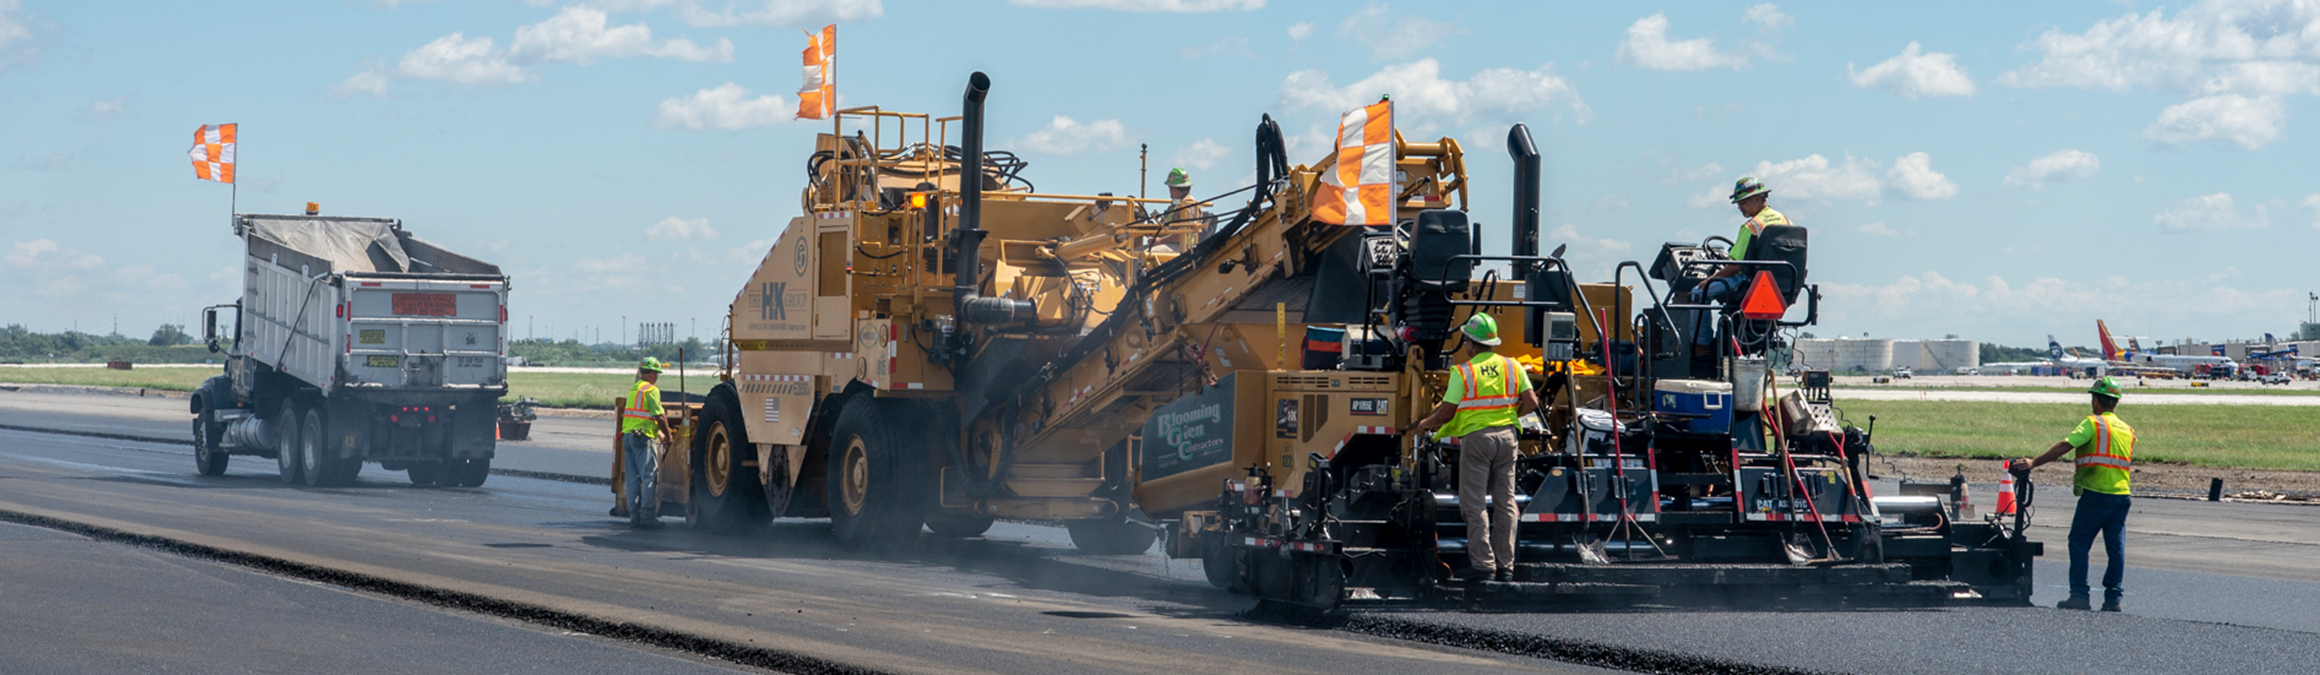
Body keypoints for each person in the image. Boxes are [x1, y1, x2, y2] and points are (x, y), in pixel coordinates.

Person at [1413, 314, 1542, 582]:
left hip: (1478, 440)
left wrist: (1426, 423)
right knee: (1506, 503)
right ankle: (1506, 567)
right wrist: (1510, 417)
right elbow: (1532, 402)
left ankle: (1484, 566)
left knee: (1474, 503)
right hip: (1508, 438)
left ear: (1471, 344)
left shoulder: (1463, 372)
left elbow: (1447, 412)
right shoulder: (1513, 366)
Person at [2011, 376, 2135, 611]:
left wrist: (2034, 462)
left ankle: (2079, 595)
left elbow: (2065, 445)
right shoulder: (2127, 430)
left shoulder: (2094, 423)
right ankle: (2113, 598)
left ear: (2096, 400)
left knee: (2078, 542)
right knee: (2115, 548)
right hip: (2122, 495)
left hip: (2097, 493)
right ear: (2115, 403)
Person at [1691, 175, 1794, 361]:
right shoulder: (1786, 221)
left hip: (1749, 282)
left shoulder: (1752, 226)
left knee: (1699, 292)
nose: (1740, 207)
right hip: (1781, 284)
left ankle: (1701, 346)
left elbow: (1735, 266)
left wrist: (1710, 279)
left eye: (1743, 202)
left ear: (1757, 199)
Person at [619, 357, 672, 528]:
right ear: (650, 373)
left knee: (633, 479)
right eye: (656, 373)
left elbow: (640, 415)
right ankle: (647, 516)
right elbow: (659, 416)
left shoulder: (634, 389)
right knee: (649, 477)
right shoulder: (651, 390)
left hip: (628, 437)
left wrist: (659, 432)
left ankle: (634, 517)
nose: (656, 377)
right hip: (642, 438)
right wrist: (668, 436)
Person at [1153, 167, 1211, 252]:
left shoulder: (1189, 205)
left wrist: (1160, 241)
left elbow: (1183, 233)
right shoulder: (1176, 204)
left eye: (1170, 187)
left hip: (1182, 247)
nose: (1169, 190)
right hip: (1168, 243)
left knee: (1142, 254)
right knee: (1136, 251)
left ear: (1175, 188)